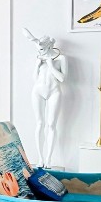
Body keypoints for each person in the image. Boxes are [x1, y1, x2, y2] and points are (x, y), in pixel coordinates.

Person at [24, 28, 66, 167]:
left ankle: (49, 159)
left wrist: (51, 65)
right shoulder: (38, 59)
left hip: (54, 91)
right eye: (38, 49)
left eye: (41, 49)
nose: (39, 51)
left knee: (51, 124)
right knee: (40, 123)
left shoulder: (60, 58)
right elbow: (35, 79)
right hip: (38, 92)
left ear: (49, 46)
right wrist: (36, 66)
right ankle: (40, 158)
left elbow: (62, 79)